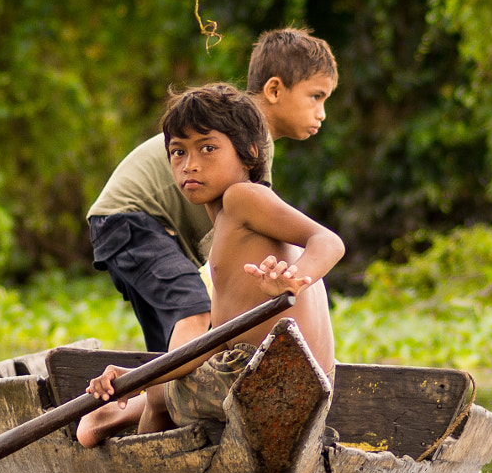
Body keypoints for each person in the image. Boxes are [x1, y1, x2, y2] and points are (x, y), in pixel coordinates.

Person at [76, 82, 343, 447]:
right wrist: (138, 375)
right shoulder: (230, 227)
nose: (190, 165)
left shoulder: (241, 198)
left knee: (159, 394)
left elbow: (329, 241)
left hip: (268, 377)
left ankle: (139, 449)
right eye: (177, 153)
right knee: (160, 384)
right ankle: (135, 408)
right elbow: (210, 348)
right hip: (294, 384)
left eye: (208, 149)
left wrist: (295, 278)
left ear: (250, 152)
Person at [85, 28, 339, 354]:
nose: (322, 113)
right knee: (194, 311)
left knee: (175, 344)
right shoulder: (247, 138)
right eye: (316, 97)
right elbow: (241, 237)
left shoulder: (236, 131)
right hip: (131, 221)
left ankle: (154, 401)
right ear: (274, 89)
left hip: (134, 226)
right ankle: (157, 400)